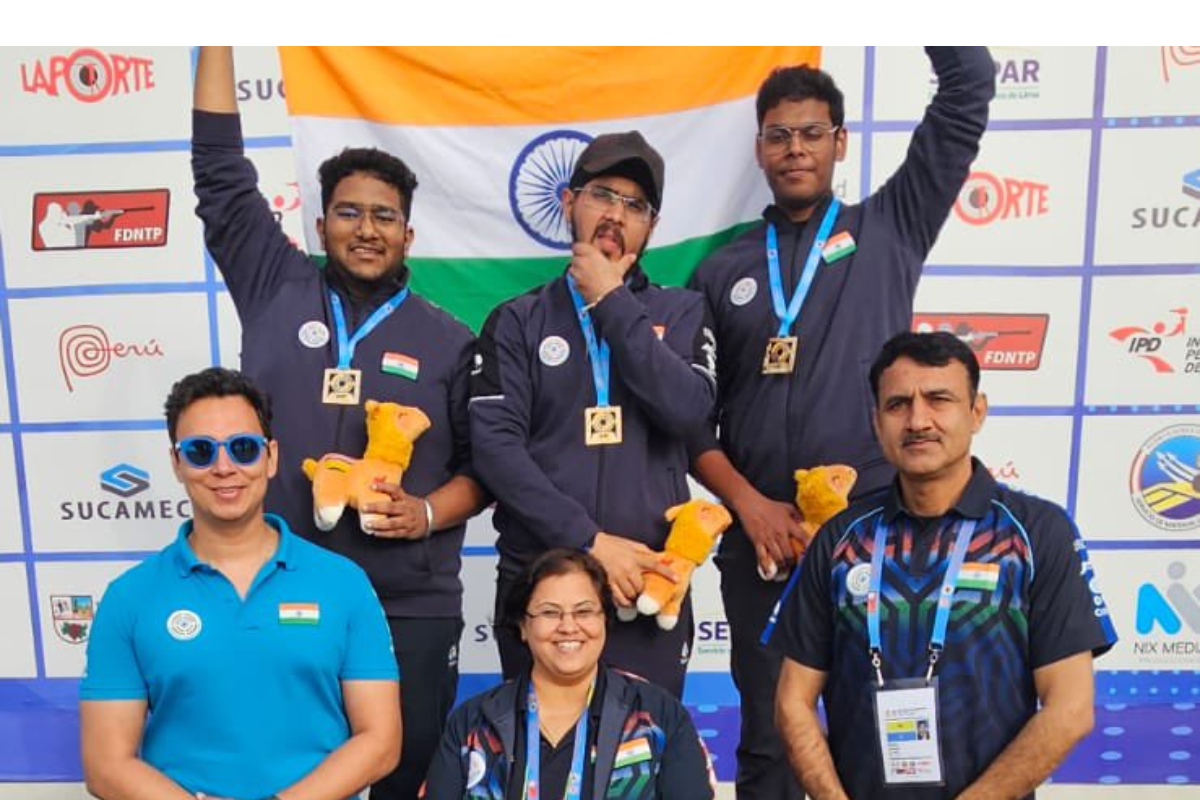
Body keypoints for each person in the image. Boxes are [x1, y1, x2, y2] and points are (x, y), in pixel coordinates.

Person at [686, 47, 996, 799]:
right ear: (760, 148)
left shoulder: (892, 222)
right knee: (767, 736)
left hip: (878, 531)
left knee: (887, 723)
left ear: (839, 142)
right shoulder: (720, 270)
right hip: (762, 539)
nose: (795, 149)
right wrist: (750, 508)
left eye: (811, 133)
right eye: (779, 135)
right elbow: (689, 417)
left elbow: (968, 86)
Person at [191, 47, 486, 800]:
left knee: (401, 775)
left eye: (385, 216)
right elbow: (222, 176)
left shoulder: (451, 339)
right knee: (281, 777)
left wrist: (423, 515)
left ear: (409, 236)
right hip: (275, 588)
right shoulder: (273, 283)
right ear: (320, 223)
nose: (366, 229)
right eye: (349, 213)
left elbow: (483, 474)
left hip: (408, 605)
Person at [770, 332, 1118, 800]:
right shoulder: (840, 538)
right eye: (897, 405)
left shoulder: (1039, 533)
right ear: (876, 422)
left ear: (977, 412)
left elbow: (1072, 708)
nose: (918, 420)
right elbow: (793, 700)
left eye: (939, 399)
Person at [470, 132, 717, 697]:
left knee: (640, 764)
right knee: (539, 766)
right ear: (568, 203)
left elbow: (687, 411)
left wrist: (613, 303)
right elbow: (496, 452)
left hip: (649, 587)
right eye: (603, 194)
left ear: (650, 227)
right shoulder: (517, 320)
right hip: (540, 587)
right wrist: (590, 540)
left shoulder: (682, 312)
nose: (616, 214)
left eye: (635, 205)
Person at [80, 367, 400, 800]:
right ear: (177, 463)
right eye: (200, 451)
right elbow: (106, 765)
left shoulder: (343, 583)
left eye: (243, 448)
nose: (224, 467)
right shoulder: (130, 598)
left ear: (270, 458)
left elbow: (380, 742)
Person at [423, 549, 714, 800]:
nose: (568, 626)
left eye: (584, 611)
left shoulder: (656, 715)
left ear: (604, 620)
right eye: (550, 613)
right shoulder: (474, 722)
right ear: (523, 626)